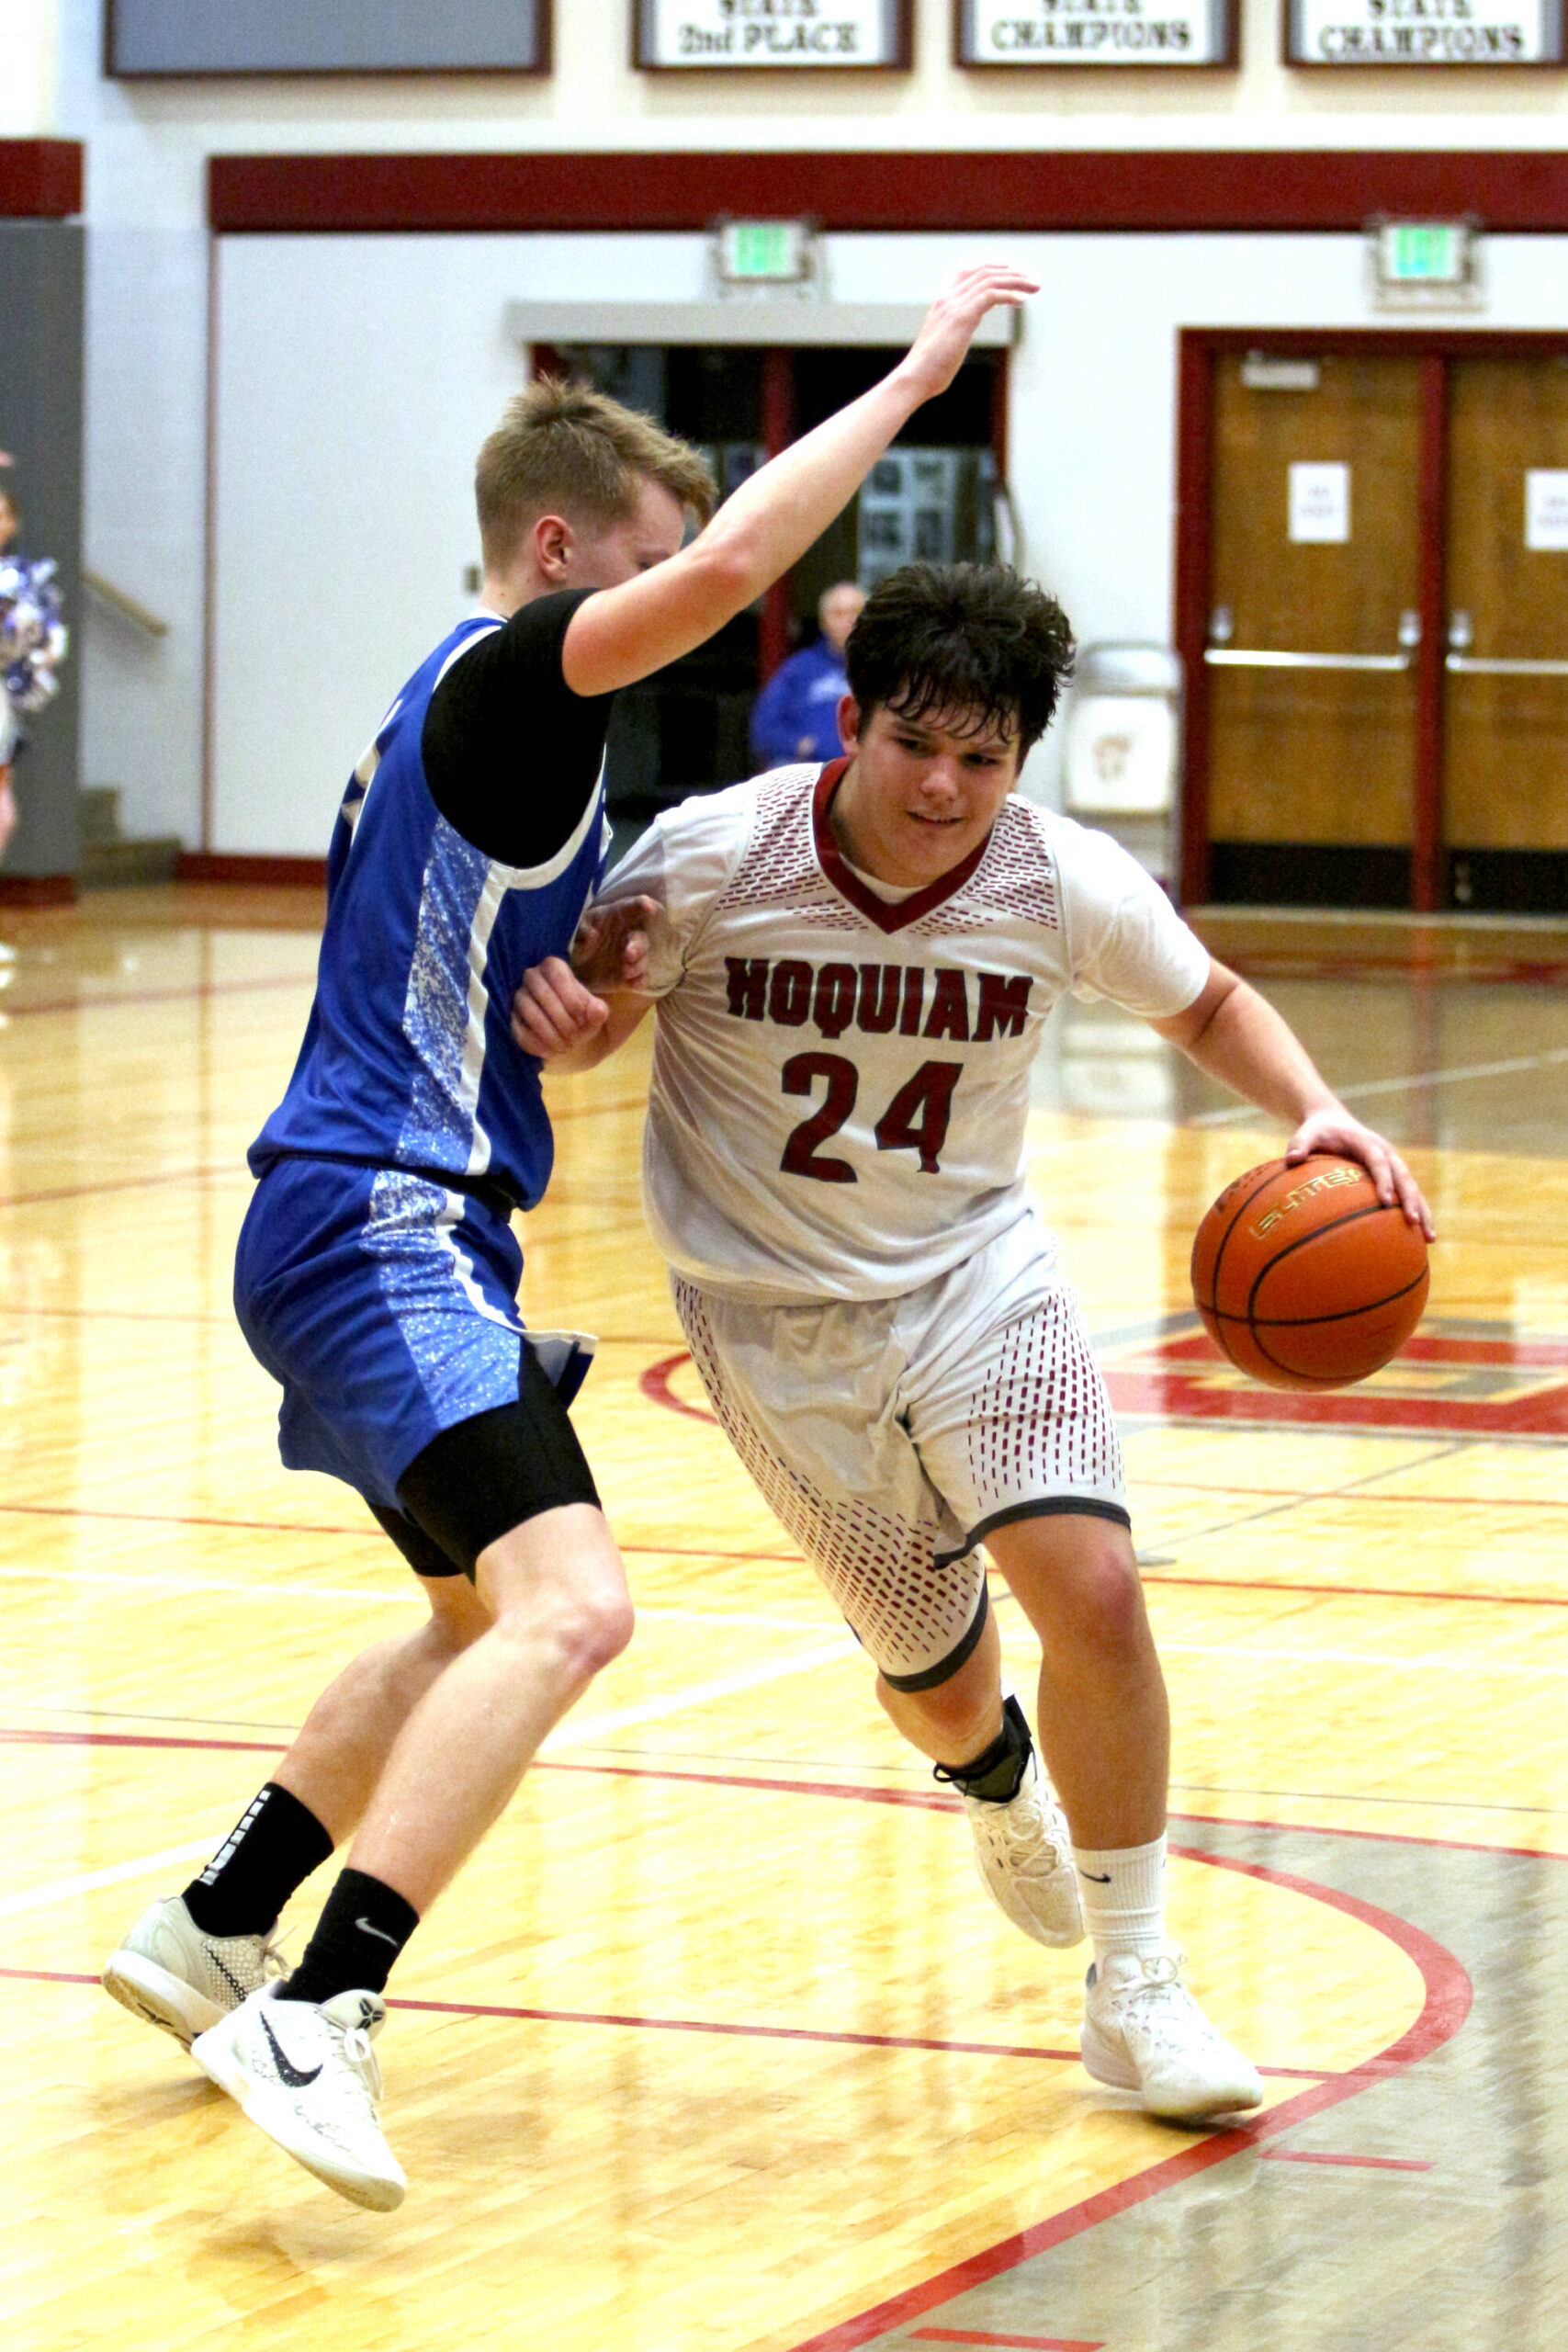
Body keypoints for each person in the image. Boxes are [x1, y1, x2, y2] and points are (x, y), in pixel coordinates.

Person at [99, 268, 1038, 2212]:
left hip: (355, 1211)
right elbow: (740, 568)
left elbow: (497, 959)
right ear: (559, 549)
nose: (680, 585)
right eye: (649, 558)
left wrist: (587, 988)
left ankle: (218, 1924)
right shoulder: (512, 670)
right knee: (573, 1608)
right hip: (380, 1218)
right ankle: (322, 2007)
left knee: (470, 1614)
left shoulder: (461, 719)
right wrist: (923, 376)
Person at [510, 560, 1436, 2125]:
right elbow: (602, 1015)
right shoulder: (717, 854)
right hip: (770, 1316)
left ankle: (1134, 1990)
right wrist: (577, 1024)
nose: (943, 786)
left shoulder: (1051, 878)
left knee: (1095, 1589)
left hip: (973, 1283)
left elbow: (1204, 1001)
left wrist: (1315, 1110)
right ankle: (990, 1774)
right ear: (849, 724)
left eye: (982, 757)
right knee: (935, 1678)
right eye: (914, 744)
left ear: (1019, 763)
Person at [0, 481, 69, 889]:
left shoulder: (26, 580)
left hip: (2, 699)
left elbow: (48, 642)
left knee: (4, 812)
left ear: (13, 522)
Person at [750, 580, 865, 767]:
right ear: (824, 621)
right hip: (810, 773)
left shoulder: (884, 671)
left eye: (855, 612)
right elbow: (764, 730)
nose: (848, 621)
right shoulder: (799, 668)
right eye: (838, 613)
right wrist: (800, 745)